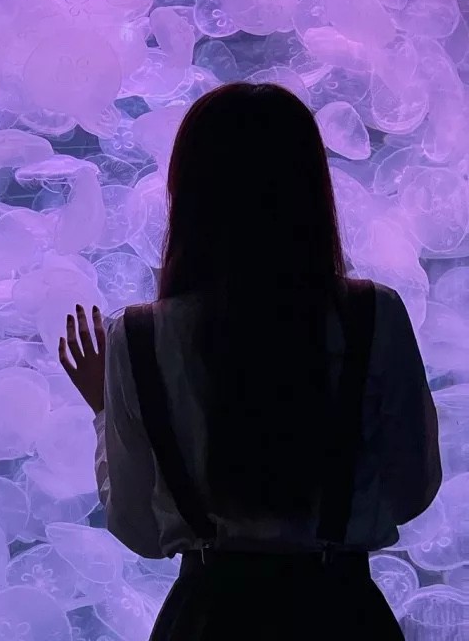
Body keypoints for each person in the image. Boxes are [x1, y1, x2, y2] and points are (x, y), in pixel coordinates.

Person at [58, 83, 442, 640]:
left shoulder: (139, 339)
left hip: (209, 618)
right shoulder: (372, 315)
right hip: (341, 613)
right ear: (312, 188)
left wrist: (106, 409)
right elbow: (411, 491)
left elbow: (139, 529)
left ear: (186, 194)